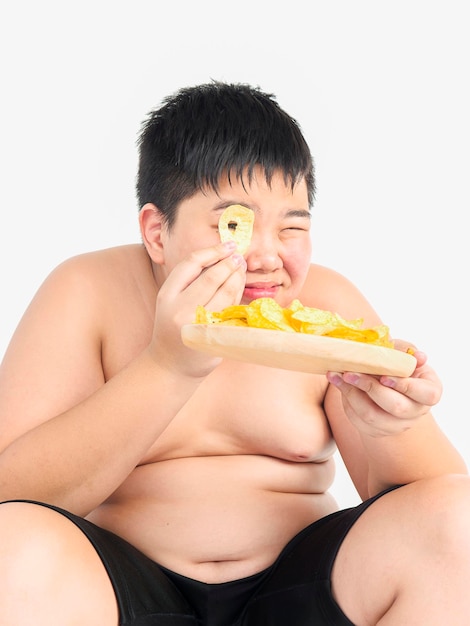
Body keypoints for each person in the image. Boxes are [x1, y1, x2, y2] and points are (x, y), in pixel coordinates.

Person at [0, 81, 468, 626]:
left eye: (292, 227)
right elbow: (14, 493)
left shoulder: (327, 303)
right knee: (13, 543)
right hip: (126, 594)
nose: (268, 256)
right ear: (156, 232)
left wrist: (394, 424)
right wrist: (167, 365)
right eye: (235, 226)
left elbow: (435, 513)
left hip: (299, 593)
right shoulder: (86, 291)